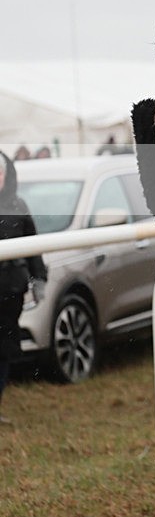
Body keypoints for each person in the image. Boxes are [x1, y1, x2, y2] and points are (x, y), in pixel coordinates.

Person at [0, 151, 47, 424]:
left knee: (5, 348)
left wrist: (38, 277)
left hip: (10, 291)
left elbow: (33, 245)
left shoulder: (18, 205)